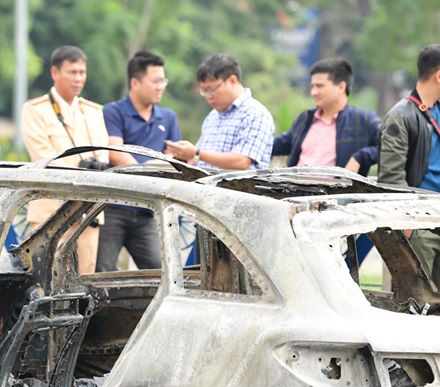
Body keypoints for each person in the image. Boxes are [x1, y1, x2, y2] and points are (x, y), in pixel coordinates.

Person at [378, 43, 440, 296]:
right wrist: (404, 220)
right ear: (439, 75)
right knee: (413, 299)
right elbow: (391, 176)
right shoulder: (400, 116)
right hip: (418, 220)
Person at [20, 45, 109, 274]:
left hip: (88, 210)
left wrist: (93, 168)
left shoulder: (93, 111)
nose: (78, 78)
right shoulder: (35, 109)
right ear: (55, 73)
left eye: (82, 72)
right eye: (72, 72)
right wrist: (81, 169)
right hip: (50, 210)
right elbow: (43, 157)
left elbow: (103, 155)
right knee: (47, 277)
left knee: (85, 278)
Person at [98, 50, 180, 271]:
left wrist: (160, 166)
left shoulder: (168, 118)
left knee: (160, 272)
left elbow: (175, 160)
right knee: (101, 271)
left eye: (163, 80)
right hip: (113, 207)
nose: (161, 86)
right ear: (135, 82)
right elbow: (115, 152)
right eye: (155, 81)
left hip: (148, 210)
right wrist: (150, 169)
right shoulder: (112, 111)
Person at [164, 53, 274, 170]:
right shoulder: (212, 117)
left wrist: (196, 153)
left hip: (236, 188)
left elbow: (242, 161)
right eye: (204, 90)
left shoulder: (255, 114)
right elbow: (198, 159)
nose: (208, 96)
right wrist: (181, 156)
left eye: (212, 89)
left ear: (232, 81)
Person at [271, 58, 381, 175]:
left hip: (336, 192)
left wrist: (360, 157)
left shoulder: (363, 121)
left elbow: (389, 146)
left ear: (341, 87)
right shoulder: (305, 119)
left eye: (319, 86)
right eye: (312, 86)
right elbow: (280, 144)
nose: (313, 92)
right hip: (294, 189)